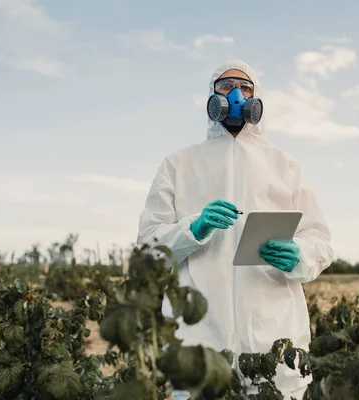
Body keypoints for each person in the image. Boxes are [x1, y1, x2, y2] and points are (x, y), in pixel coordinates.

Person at [136, 59, 334, 399]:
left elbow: (321, 241)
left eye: (246, 87)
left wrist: (299, 256)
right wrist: (191, 230)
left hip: (273, 343)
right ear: (211, 97)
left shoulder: (284, 165)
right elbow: (148, 251)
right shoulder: (179, 164)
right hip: (199, 343)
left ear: (258, 98)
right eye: (226, 86)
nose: (237, 94)